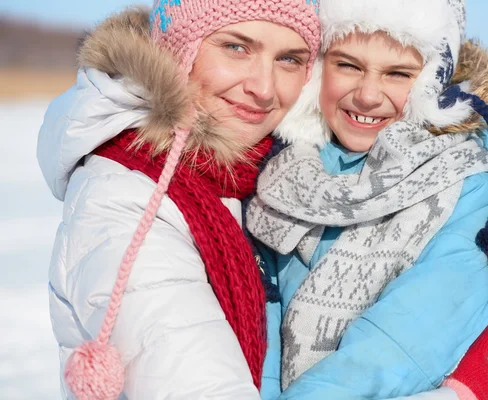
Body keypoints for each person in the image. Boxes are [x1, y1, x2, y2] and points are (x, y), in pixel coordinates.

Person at [247, 0, 488, 399]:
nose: (368, 95)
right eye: (348, 65)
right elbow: (259, 320)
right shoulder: (281, 175)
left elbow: (397, 349)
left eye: (398, 73)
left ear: (432, 85)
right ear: (317, 69)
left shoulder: (467, 189)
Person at [36, 1, 320, 399]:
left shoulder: (264, 180)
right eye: (236, 48)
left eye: (289, 59)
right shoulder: (126, 197)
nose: (264, 87)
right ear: (177, 50)